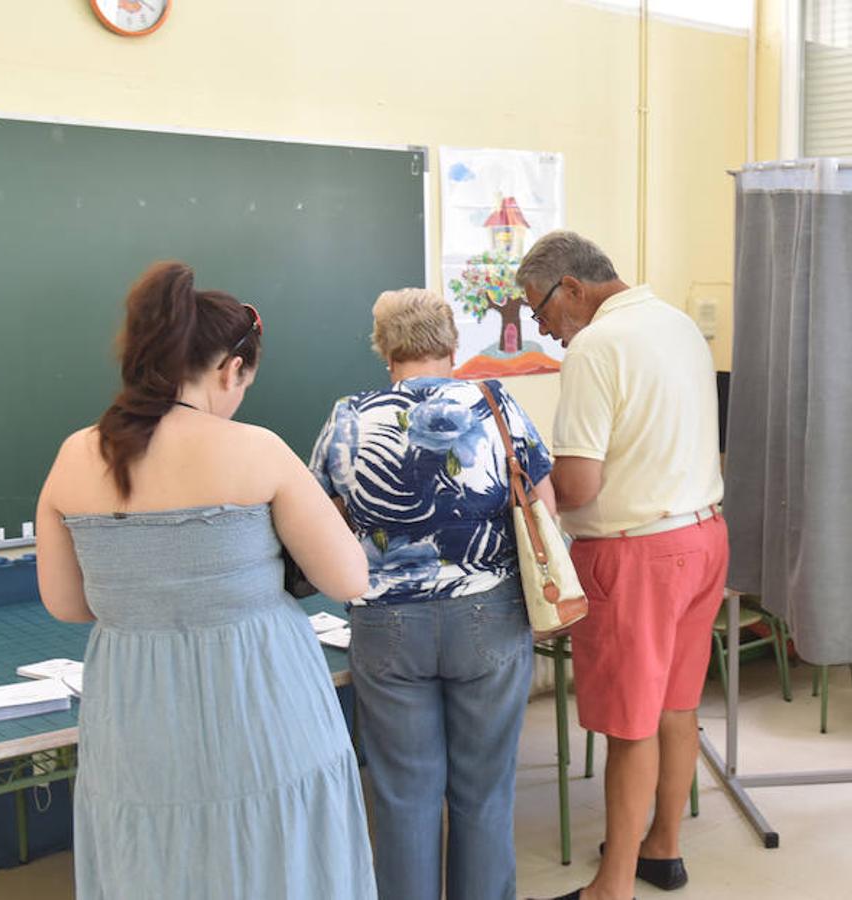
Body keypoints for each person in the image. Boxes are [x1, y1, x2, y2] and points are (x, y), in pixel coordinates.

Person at [35, 261, 377, 899]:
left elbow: (66, 604)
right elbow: (348, 576)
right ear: (229, 369)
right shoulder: (256, 450)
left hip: (134, 718)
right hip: (264, 704)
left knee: (156, 868)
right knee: (279, 864)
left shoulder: (74, 456)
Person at [309, 287, 555, 900]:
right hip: (490, 615)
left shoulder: (348, 416)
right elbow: (545, 506)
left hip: (386, 625)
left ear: (384, 348)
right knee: (484, 793)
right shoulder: (494, 402)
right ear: (450, 342)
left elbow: (321, 522)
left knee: (403, 796)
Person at [517, 232, 727, 900]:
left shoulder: (596, 347)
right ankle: (662, 848)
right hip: (702, 538)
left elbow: (578, 486)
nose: (544, 329)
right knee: (676, 707)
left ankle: (611, 887)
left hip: (634, 553)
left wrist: (528, 483)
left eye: (541, 310)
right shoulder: (678, 326)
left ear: (572, 288)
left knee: (629, 724)